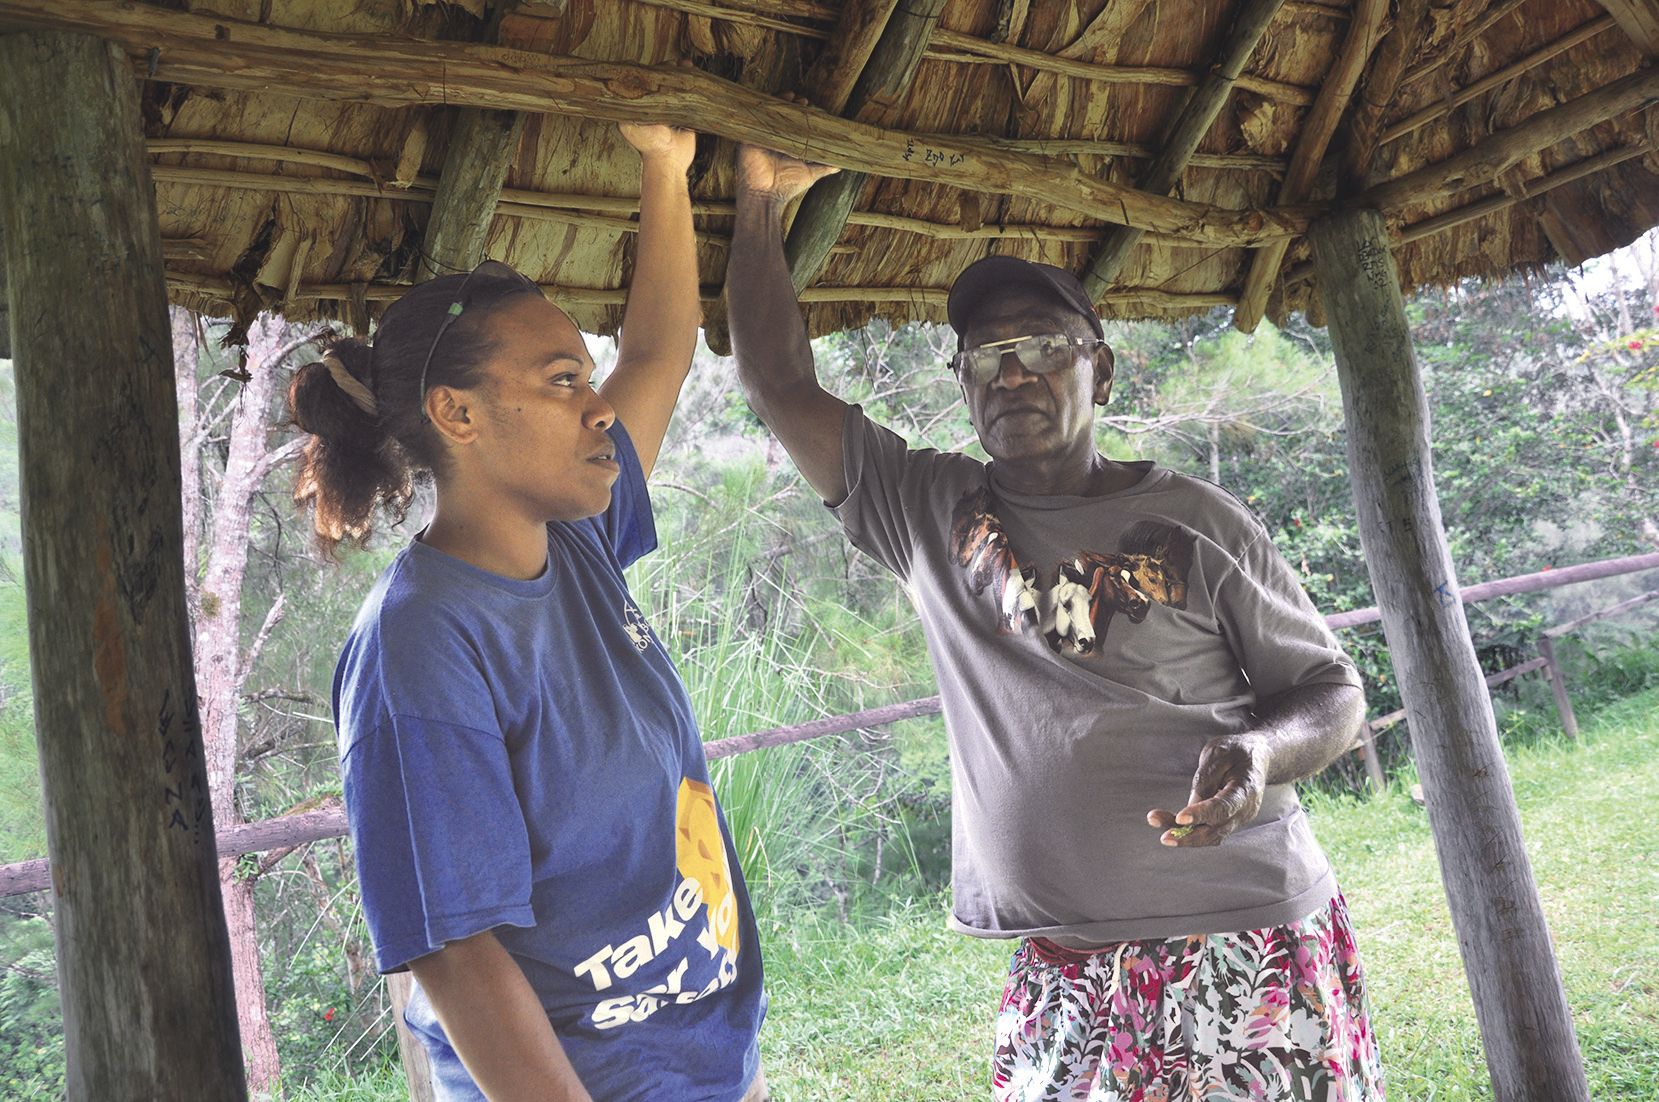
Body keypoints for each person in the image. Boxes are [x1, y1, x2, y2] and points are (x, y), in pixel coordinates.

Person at [726, 146, 1385, 1101]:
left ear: (1102, 373)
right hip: (1062, 969)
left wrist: (1257, 755)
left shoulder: (1197, 522)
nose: (1013, 376)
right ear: (963, 384)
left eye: (1043, 349)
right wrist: (756, 202)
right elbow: (779, 386)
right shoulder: (923, 510)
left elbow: (1330, 692)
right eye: (987, 359)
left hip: (1242, 937)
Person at [289, 124, 767, 1102]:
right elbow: (456, 953)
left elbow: (658, 351)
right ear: (458, 414)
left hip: (709, 1067)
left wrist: (663, 168)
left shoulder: (575, 542)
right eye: (562, 382)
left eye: (585, 379)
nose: (598, 407)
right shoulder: (420, 646)